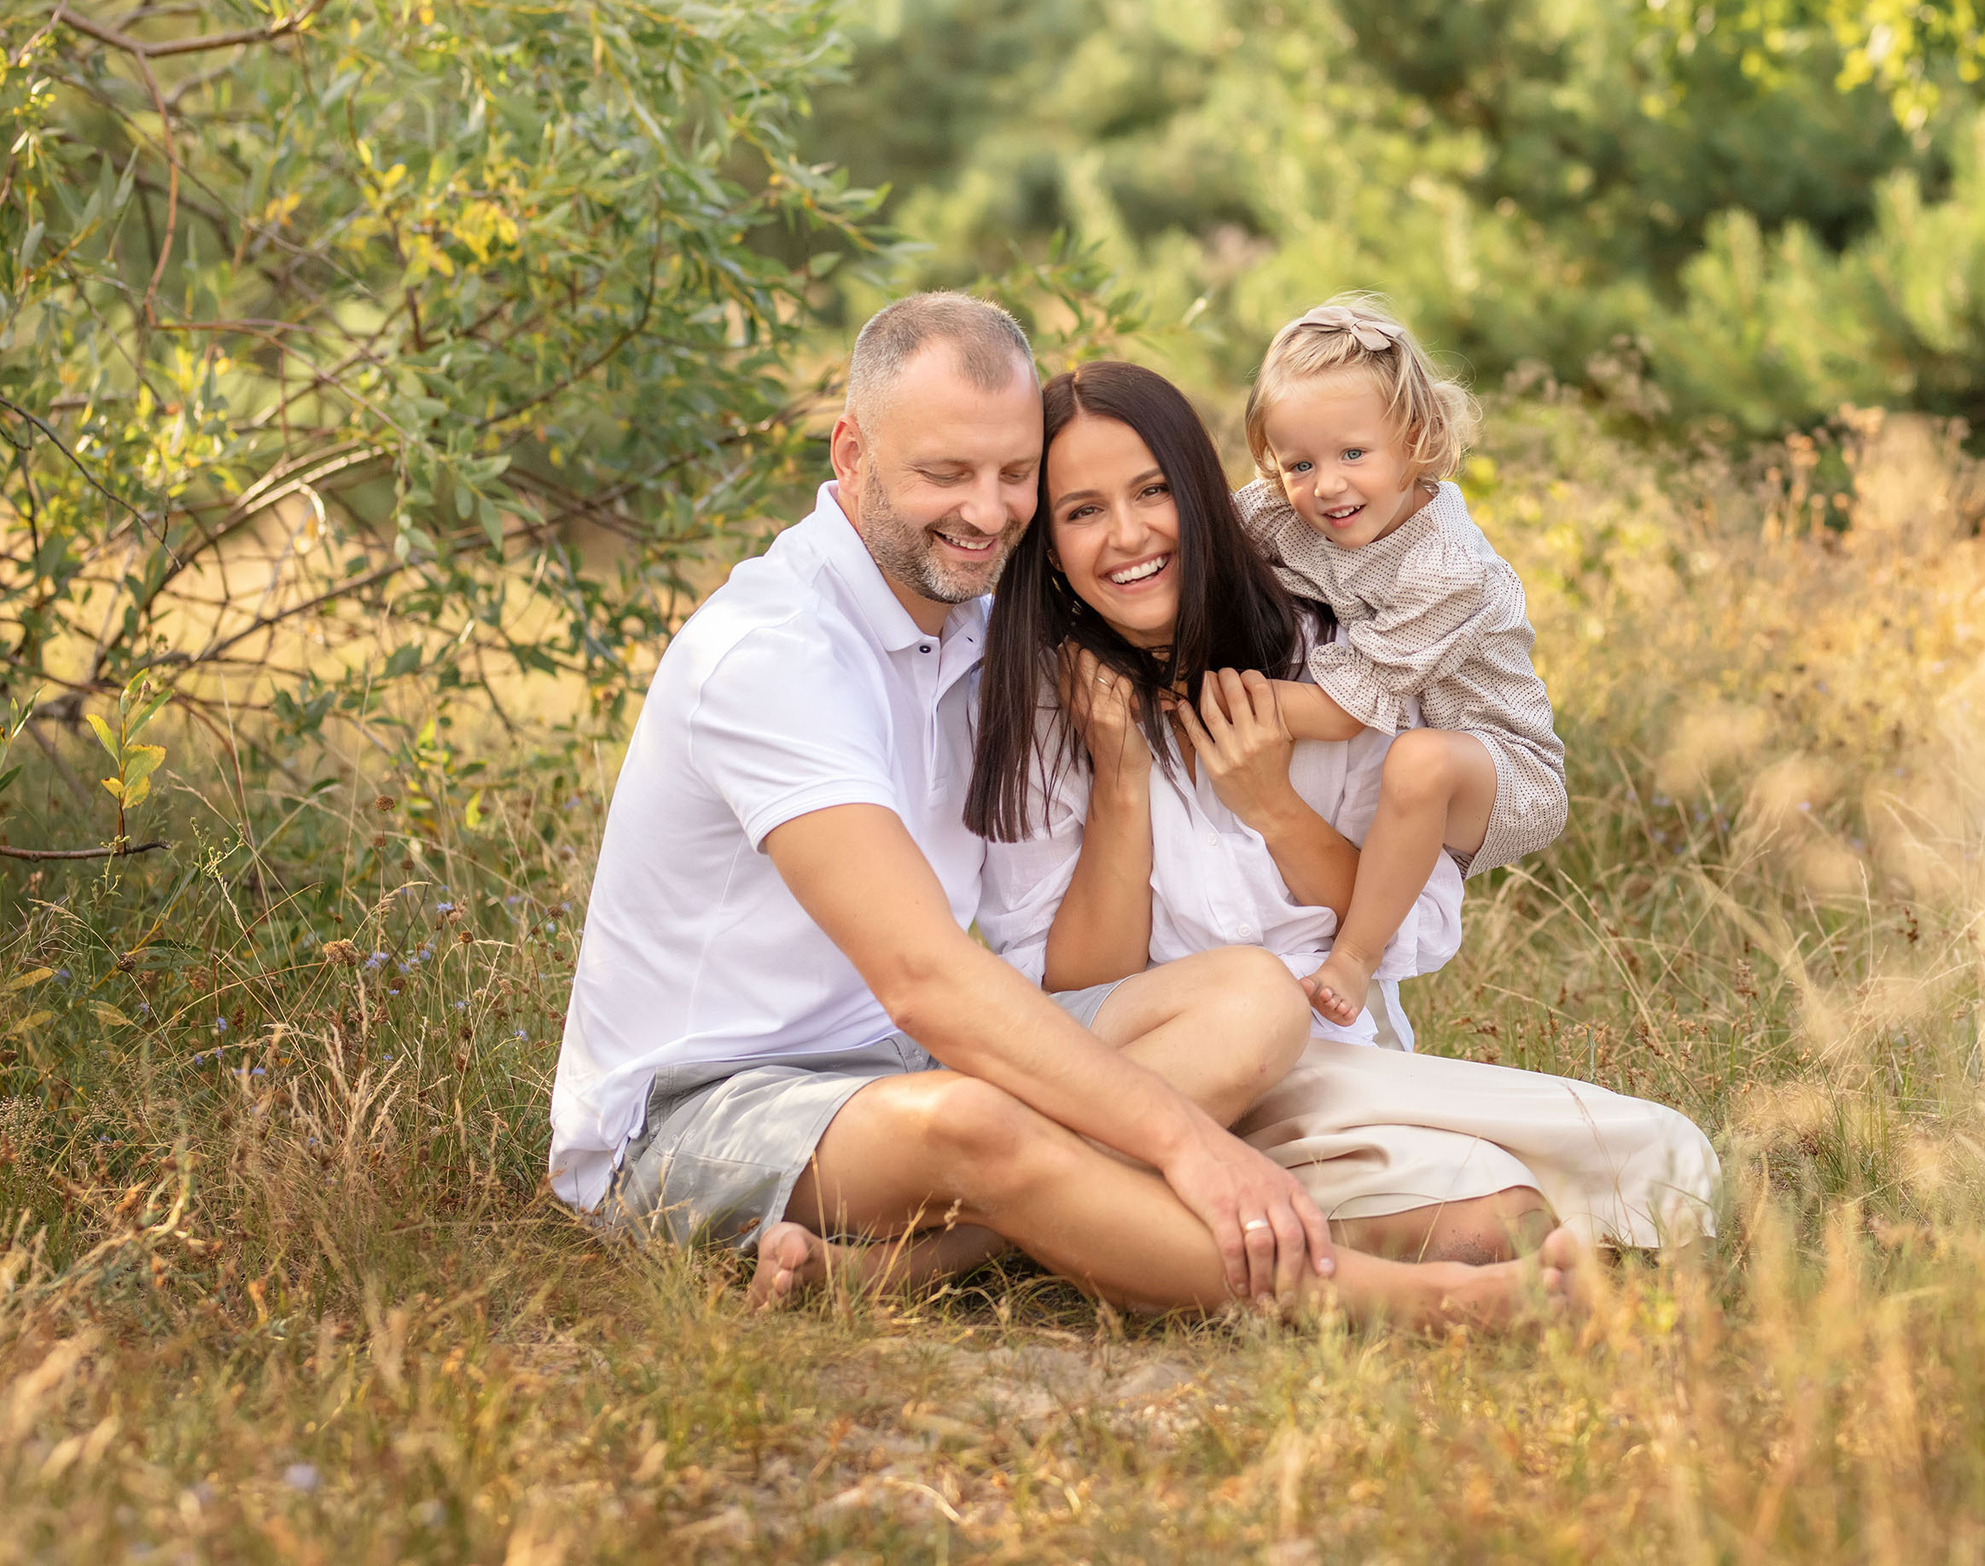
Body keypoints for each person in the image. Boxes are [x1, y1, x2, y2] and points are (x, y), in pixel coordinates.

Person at [547, 292, 1581, 1325]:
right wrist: (1186, 1143)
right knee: (974, 1122)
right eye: (945, 472)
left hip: (910, 1069)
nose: (986, 510)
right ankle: (1427, 1305)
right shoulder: (775, 654)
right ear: (852, 454)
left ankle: (941, 1256)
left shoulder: (982, 628)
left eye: (1013, 476)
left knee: (1252, 998)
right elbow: (923, 977)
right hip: (707, 1106)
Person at [969, 359, 1718, 1264]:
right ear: (1048, 544)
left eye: (1153, 491)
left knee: (1547, 1203)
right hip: (1151, 1068)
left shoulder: (1335, 660)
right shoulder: (1040, 698)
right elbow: (1074, 986)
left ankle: (1163, 1224)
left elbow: (1397, 931)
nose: (1128, 535)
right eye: (1083, 510)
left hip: (1330, 1074)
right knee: (1258, 1015)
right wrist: (1121, 782)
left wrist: (1272, 805)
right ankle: (1014, 1224)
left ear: (1202, 496)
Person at [1232, 295, 1569, 1031]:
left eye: (1354, 454)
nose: (1327, 485)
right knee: (1406, 761)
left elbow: (1339, 713)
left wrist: (1212, 696)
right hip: (1406, 748)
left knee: (1419, 762)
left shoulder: (1447, 565)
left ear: (1416, 441)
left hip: (1501, 766)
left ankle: (1356, 955)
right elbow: (1206, 538)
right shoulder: (1290, 509)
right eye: (1299, 463)